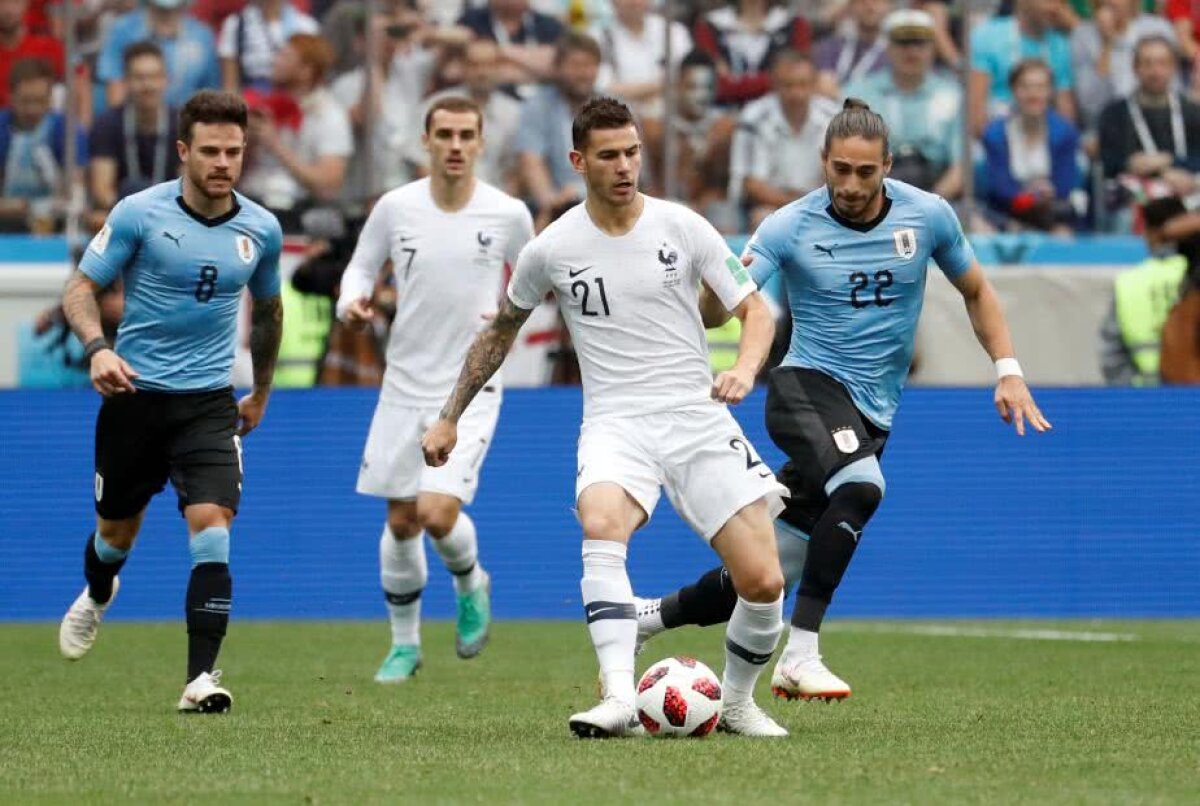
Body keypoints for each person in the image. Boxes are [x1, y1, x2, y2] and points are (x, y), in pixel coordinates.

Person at [634, 98, 1051, 702]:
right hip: (804, 388)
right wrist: (715, 294)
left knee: (767, 574)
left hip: (871, 410)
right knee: (862, 488)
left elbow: (977, 290)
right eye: (838, 170)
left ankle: (646, 619)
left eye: (865, 172)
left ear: (887, 166)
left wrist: (1008, 370)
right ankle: (800, 653)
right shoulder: (789, 225)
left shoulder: (927, 216)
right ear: (823, 163)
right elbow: (726, 303)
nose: (850, 185)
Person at [422, 97, 791, 738]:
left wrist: (744, 370)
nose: (624, 167)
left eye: (631, 152)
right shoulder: (552, 247)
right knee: (600, 521)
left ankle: (734, 703)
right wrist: (450, 415)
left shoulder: (684, 227)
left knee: (762, 581)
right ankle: (620, 697)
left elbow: (756, 312)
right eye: (608, 156)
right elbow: (501, 332)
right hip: (615, 421)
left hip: (696, 416)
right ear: (578, 160)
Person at [56, 90, 284, 714]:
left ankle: (200, 678)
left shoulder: (261, 228)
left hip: (209, 404)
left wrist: (261, 390)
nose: (222, 162)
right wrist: (98, 348)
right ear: (184, 151)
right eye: (209, 150)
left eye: (233, 151)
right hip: (134, 398)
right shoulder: (138, 213)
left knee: (212, 524)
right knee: (114, 536)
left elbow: (267, 312)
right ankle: (98, 593)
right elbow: (80, 287)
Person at [336, 96, 535, 683]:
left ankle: (472, 582)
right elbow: (359, 267)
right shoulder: (395, 209)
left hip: (469, 386)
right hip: (403, 381)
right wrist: (352, 300)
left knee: (436, 510)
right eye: (443, 134)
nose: (454, 145)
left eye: (465, 135)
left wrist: (503, 325)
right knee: (401, 521)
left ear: (480, 143)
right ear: (426, 140)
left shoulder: (507, 213)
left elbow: (535, 281)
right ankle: (405, 645)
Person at [981, 58, 1081, 233]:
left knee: (1064, 234)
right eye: (1025, 87)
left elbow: (1065, 185)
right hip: (1006, 212)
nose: (1033, 95)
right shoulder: (995, 133)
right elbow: (1000, 187)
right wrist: (1029, 197)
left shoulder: (1065, 132)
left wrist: (1046, 194)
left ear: (1050, 91)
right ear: (1013, 90)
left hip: (1051, 212)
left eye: (1041, 87)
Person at [87, 42, 178, 228]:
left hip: (172, 219)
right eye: (139, 78)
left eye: (154, 77)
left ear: (165, 80)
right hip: (123, 217)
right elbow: (102, 191)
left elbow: (190, 187)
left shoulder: (182, 123)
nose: (147, 85)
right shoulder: (108, 124)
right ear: (126, 82)